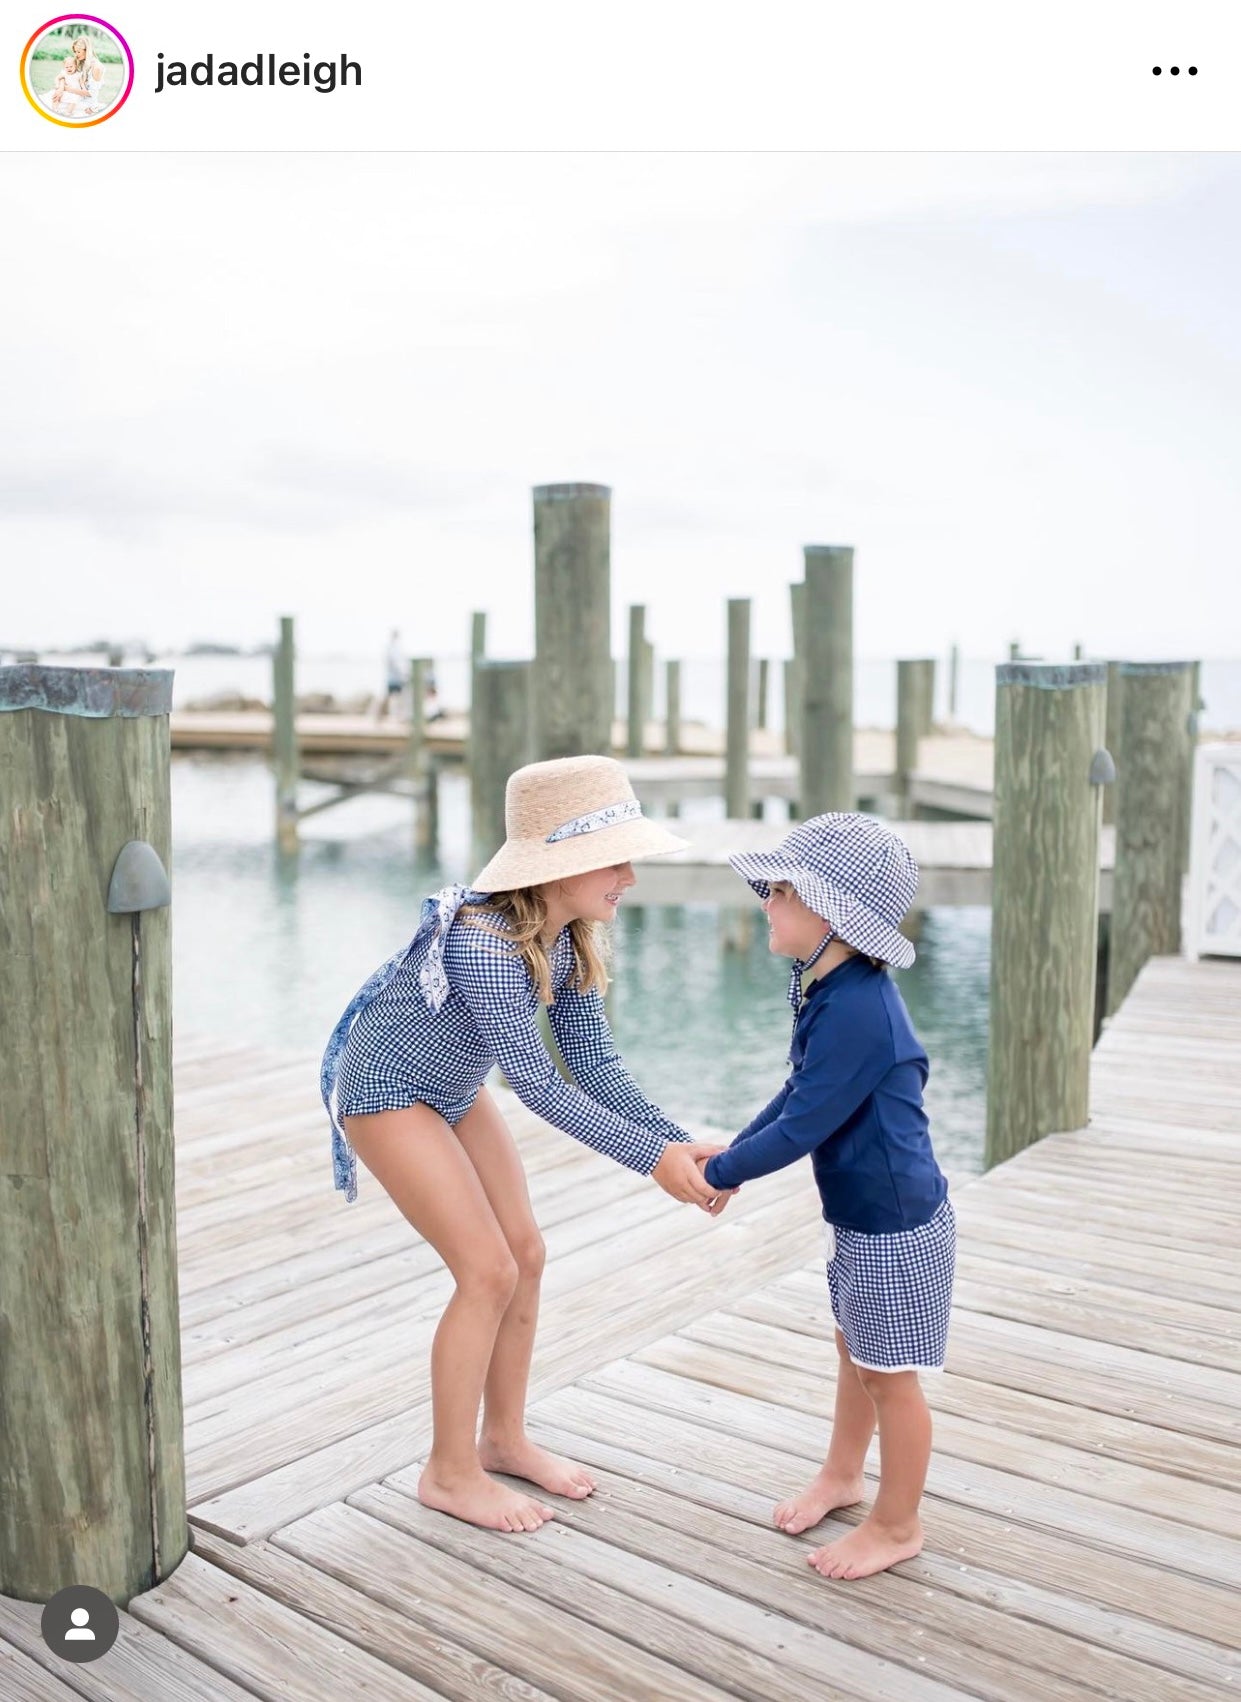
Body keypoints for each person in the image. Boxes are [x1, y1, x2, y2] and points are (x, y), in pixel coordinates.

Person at [320, 755, 728, 1535]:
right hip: (386, 1094)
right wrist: (653, 1164)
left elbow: (594, 1066)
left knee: (526, 1254)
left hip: (450, 1087)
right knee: (486, 1271)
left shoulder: (567, 938)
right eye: (617, 860)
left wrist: (678, 1144)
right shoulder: (481, 944)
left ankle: (502, 1439)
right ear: (562, 865)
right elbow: (539, 1086)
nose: (630, 879)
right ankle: (447, 1473)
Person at [701, 812, 954, 1582]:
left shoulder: (859, 1013)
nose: (765, 903)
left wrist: (716, 1176)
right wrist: (732, 1151)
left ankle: (897, 1521)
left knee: (888, 1376)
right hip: (858, 1214)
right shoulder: (830, 987)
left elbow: (806, 1124)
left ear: (830, 913)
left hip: (894, 1224)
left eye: (779, 891)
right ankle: (844, 1475)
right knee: (855, 1350)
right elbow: (796, 1092)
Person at [377, 628, 404, 720]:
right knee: (390, 697)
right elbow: (394, 663)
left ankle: (396, 716)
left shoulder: (395, 647)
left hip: (396, 678)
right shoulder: (391, 648)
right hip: (393, 678)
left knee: (397, 697)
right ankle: (380, 716)